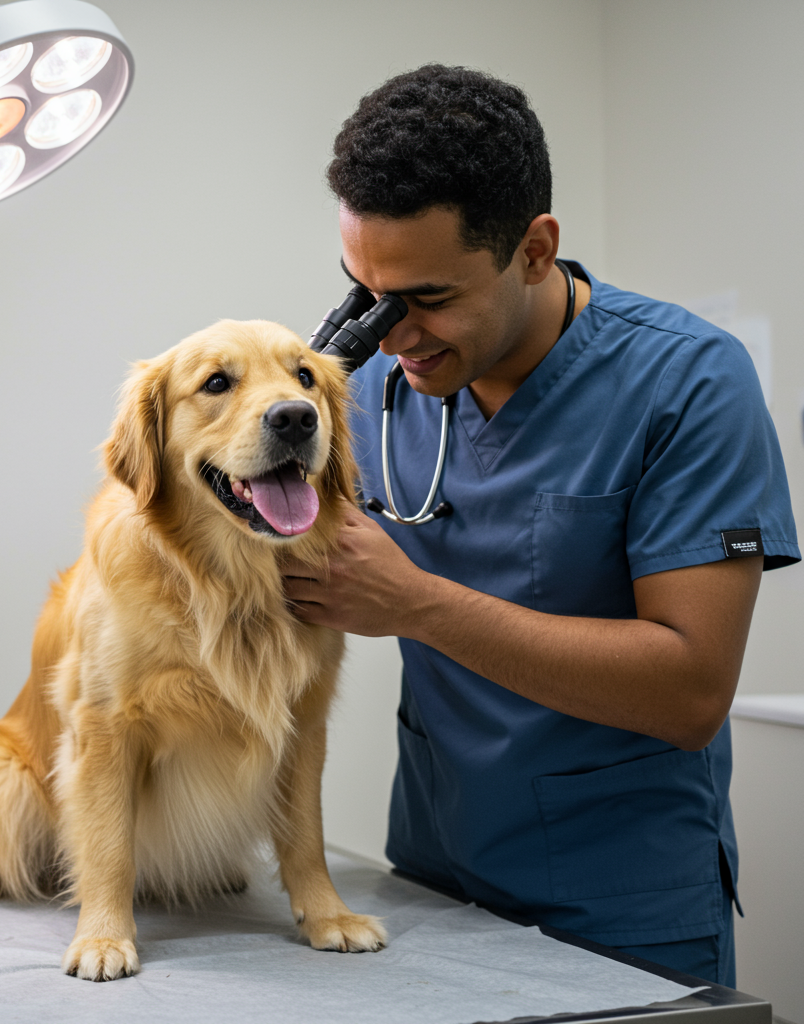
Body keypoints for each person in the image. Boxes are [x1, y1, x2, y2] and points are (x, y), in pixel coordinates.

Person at [283, 65, 799, 987]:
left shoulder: (688, 384)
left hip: (624, 904)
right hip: (435, 880)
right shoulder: (363, 388)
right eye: (367, 293)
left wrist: (419, 605)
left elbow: (690, 694)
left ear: (533, 247)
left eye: (430, 298)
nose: (392, 337)